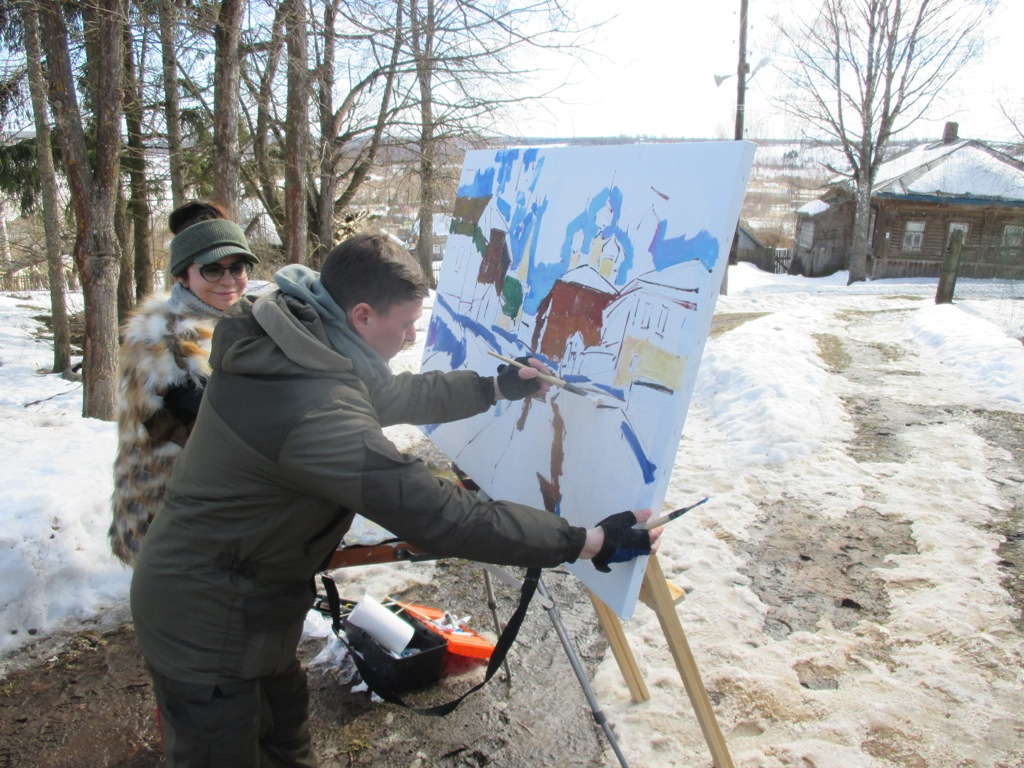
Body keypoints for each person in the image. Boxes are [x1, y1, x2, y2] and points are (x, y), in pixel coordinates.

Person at [130, 232, 661, 767]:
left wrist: (495, 388)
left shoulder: (300, 343)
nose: (412, 336)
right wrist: (584, 540)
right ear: (361, 315)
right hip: (206, 619)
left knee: (285, 746)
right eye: (405, 324)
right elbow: (435, 512)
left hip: (248, 600)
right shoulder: (313, 411)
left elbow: (393, 395)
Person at [109, 201, 260, 566]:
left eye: (236, 267)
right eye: (211, 270)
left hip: (211, 512)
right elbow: (212, 424)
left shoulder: (231, 319)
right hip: (173, 519)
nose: (228, 281)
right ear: (182, 275)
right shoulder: (169, 340)